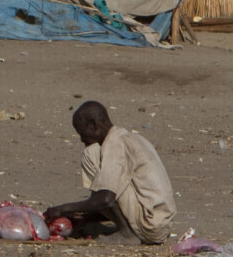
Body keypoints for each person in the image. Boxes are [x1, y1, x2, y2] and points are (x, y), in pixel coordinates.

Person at [44, 100, 176, 244]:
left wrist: (61, 209)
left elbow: (106, 198)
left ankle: (126, 234)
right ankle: (126, 229)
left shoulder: (114, 143)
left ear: (94, 125)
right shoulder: (133, 138)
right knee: (104, 173)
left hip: (149, 225)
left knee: (91, 155)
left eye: (82, 133)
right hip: (161, 224)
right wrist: (85, 218)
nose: (82, 139)